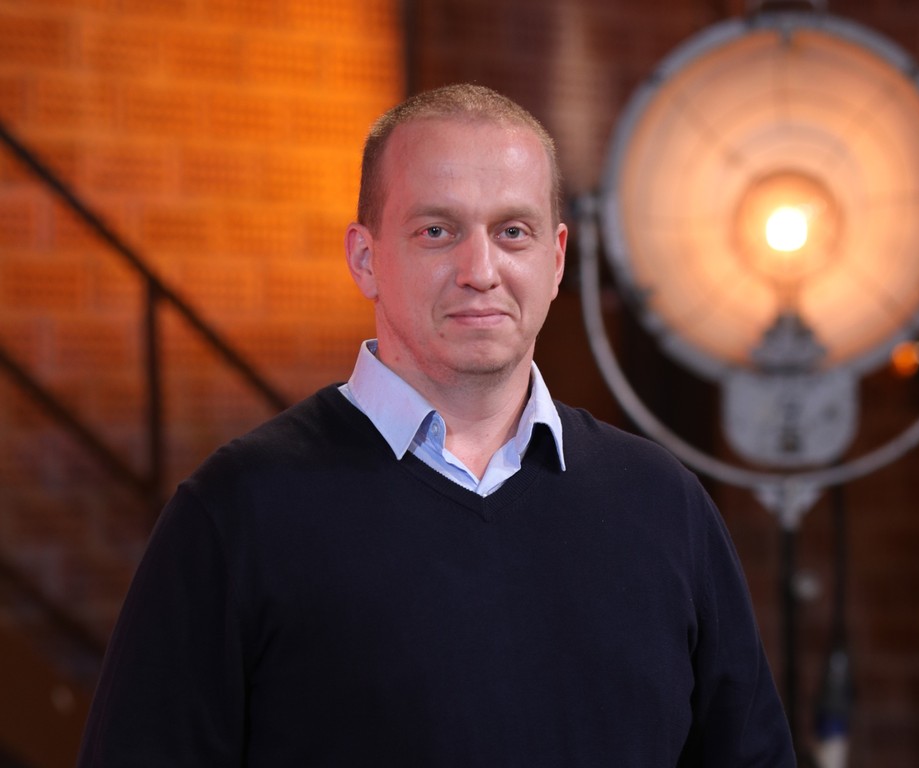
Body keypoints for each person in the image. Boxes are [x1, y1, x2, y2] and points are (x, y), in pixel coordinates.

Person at [77, 83, 795, 766]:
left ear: (555, 260)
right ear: (365, 259)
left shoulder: (664, 505)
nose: (480, 269)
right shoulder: (239, 511)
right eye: (437, 230)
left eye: (512, 231)